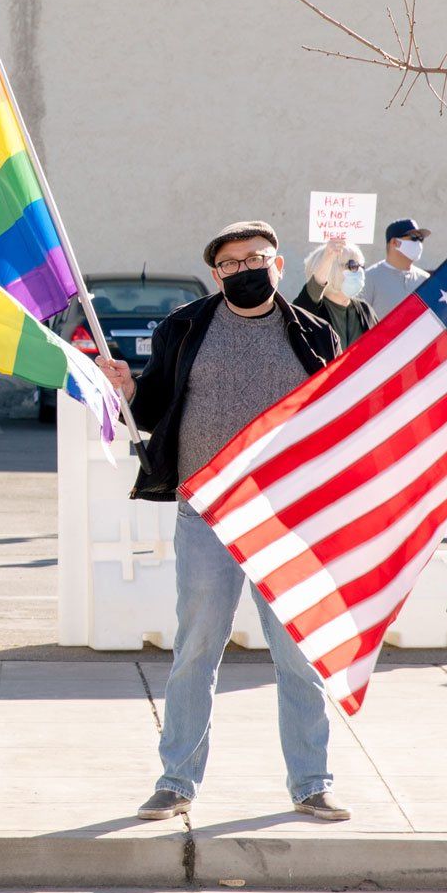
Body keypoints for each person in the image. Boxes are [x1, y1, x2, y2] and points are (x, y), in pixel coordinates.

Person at [97, 221, 349, 824]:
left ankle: (311, 783)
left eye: (255, 259)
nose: (244, 270)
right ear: (216, 274)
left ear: (279, 264)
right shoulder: (185, 327)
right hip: (205, 512)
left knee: (297, 656)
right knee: (196, 648)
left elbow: (337, 418)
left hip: (285, 518)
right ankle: (176, 780)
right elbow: (154, 407)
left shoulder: (313, 333)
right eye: (231, 264)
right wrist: (128, 386)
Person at [293, 236, 375, 352]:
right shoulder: (311, 309)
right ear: (331, 269)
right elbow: (314, 289)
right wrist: (328, 257)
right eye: (352, 266)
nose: (360, 272)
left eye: (361, 266)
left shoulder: (365, 310)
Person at [362, 218, 431, 316]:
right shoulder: (369, 278)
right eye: (414, 238)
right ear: (394, 242)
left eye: (421, 239)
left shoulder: (425, 280)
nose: (418, 243)